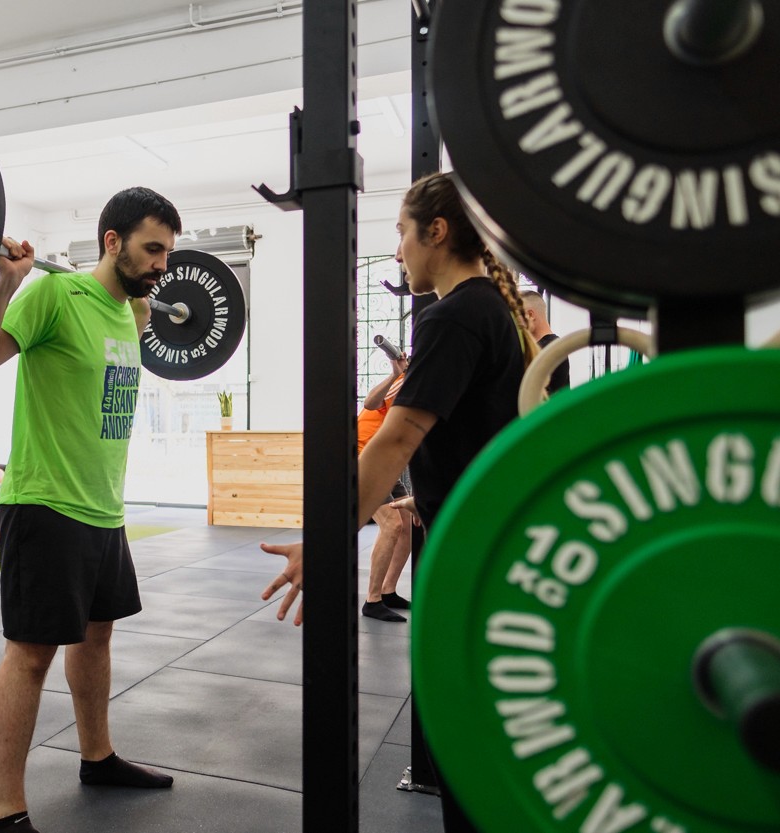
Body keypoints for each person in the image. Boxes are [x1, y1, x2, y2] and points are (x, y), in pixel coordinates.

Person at [258, 171, 538, 832]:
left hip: (469, 558)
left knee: (467, 747)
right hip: (485, 542)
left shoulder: (457, 314)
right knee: (481, 743)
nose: (398, 252)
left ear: (435, 231)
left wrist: (324, 544)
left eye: (402, 234)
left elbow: (393, 441)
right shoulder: (490, 311)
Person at [0, 187, 182, 833]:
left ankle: (97, 755)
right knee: (30, 654)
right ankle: (7, 810)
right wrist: (5, 284)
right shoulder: (55, 294)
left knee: (98, 632)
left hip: (104, 507)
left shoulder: (133, 315)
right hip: (46, 503)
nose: (163, 264)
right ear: (113, 241)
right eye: (153, 248)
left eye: (169, 250)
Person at [357, 353, 412, 622]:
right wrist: (394, 373)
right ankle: (372, 600)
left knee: (406, 527)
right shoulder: (402, 381)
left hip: (387, 462)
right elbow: (370, 403)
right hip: (361, 458)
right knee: (392, 526)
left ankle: (388, 591)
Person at [521, 290, 570, 394]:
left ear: (530, 315)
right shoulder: (533, 347)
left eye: (518, 315)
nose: (516, 321)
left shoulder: (554, 349)